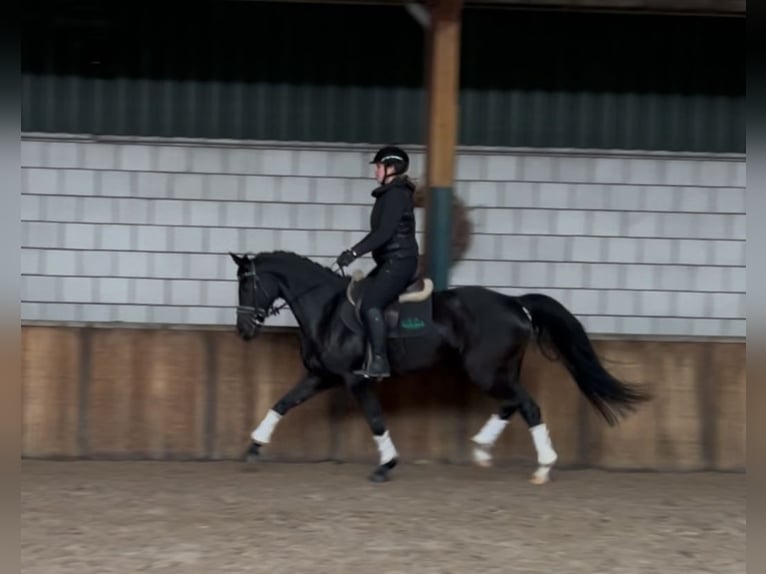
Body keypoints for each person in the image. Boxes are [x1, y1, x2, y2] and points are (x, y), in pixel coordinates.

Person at [335, 145, 420, 379]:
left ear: (391, 168)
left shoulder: (395, 195)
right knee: (360, 295)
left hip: (399, 261)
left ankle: (380, 362)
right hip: (390, 261)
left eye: (379, 167)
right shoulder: (390, 194)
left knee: (371, 303)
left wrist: (353, 253)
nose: (375, 172)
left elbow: (383, 233)